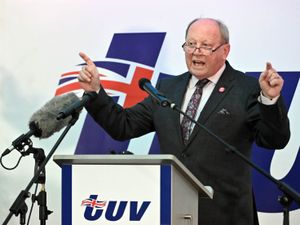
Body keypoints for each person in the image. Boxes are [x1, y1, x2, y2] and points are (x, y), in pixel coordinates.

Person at [77, 18, 290, 225]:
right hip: (172, 211)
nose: (196, 51)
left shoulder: (246, 89)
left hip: (226, 214)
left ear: (225, 51)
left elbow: (273, 140)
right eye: (191, 44)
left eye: (206, 46)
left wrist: (270, 100)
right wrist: (95, 91)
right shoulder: (167, 89)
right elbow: (122, 126)